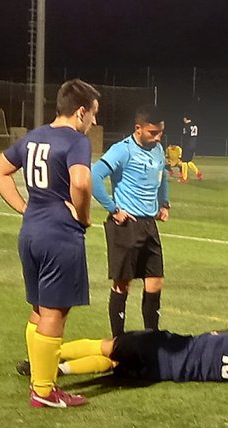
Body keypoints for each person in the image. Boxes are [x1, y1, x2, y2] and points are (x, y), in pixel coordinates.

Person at [0, 78, 100, 408]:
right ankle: (44, 390)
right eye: (93, 114)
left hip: (32, 230)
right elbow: (80, 182)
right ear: (81, 112)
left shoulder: (33, 136)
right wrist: (83, 216)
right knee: (55, 311)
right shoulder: (77, 141)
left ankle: (39, 378)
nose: (92, 121)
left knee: (39, 308)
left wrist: (25, 207)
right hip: (59, 234)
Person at [92, 104, 170, 338]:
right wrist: (113, 208)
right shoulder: (122, 150)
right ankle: (118, 340)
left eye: (160, 133)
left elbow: (163, 173)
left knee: (155, 282)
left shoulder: (157, 149)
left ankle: (151, 339)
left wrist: (164, 202)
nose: (157, 138)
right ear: (138, 129)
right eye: (152, 133)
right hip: (126, 226)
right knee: (123, 284)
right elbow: (95, 175)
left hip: (149, 225)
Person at [16, 330, 228, 385]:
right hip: (162, 373)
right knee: (113, 363)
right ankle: (60, 372)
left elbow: (220, 336)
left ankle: (42, 362)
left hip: (169, 347)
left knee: (107, 346)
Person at [179, 113, 203, 183]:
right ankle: (197, 172)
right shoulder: (195, 125)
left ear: (185, 118)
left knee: (184, 161)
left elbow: (185, 136)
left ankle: (184, 178)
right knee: (188, 161)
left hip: (187, 145)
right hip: (193, 144)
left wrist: (183, 145)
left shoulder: (186, 126)